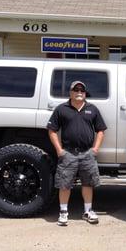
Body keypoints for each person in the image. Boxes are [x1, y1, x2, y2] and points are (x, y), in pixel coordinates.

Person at [47, 80, 107, 226]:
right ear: (70, 92)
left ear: (85, 93)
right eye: (76, 90)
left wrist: (95, 149)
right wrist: (59, 150)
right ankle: (63, 212)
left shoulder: (92, 109)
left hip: (87, 153)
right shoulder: (62, 109)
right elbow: (52, 130)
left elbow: (101, 130)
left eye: (82, 90)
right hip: (68, 153)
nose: (79, 92)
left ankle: (88, 211)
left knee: (88, 183)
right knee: (64, 184)